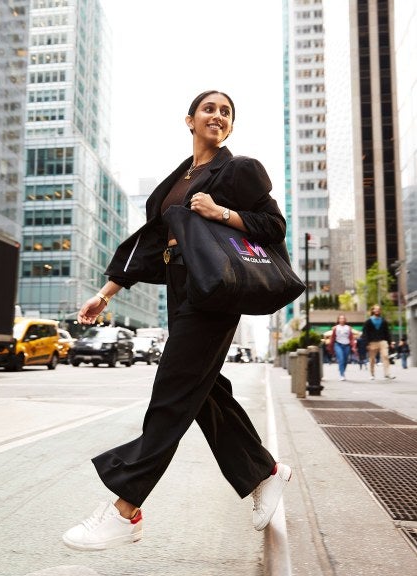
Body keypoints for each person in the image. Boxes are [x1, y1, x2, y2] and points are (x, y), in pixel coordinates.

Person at [62, 90, 292, 551]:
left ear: (230, 126)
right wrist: (107, 293)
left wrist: (221, 212)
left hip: (215, 289)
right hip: (181, 287)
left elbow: (273, 226)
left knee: (172, 391)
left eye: (226, 112)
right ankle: (264, 473)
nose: (218, 116)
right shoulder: (177, 180)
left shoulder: (238, 169)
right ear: (189, 120)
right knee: (203, 389)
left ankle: (126, 509)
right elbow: (150, 245)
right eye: (210, 109)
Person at [361, 304, 395, 380]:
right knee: (372, 359)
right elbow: (365, 333)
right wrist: (366, 344)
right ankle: (372, 374)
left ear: (380, 311)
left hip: (382, 341)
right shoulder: (368, 322)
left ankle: (387, 374)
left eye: (378, 309)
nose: (377, 310)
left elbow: (387, 332)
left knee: (385, 356)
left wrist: (390, 342)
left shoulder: (383, 321)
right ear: (373, 310)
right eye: (375, 309)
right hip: (372, 342)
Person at [328, 314, 356, 381]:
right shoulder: (335, 328)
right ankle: (342, 374)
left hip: (347, 345)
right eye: (340, 318)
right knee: (341, 359)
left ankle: (343, 371)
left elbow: (351, 338)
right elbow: (333, 338)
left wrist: (353, 346)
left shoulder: (348, 328)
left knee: (345, 360)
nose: (342, 320)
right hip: (338, 345)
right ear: (338, 320)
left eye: (343, 318)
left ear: (345, 320)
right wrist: (330, 347)